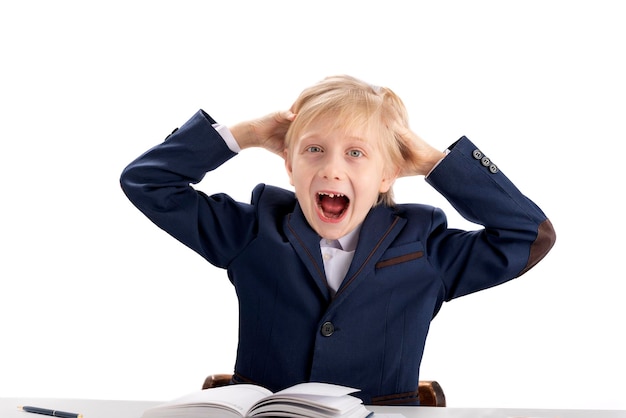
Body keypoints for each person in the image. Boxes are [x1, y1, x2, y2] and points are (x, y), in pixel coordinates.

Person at [120, 75, 556, 405]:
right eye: (314, 150)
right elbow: (146, 183)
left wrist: (436, 163)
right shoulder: (254, 230)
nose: (331, 169)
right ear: (288, 166)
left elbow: (529, 235)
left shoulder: (424, 247)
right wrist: (246, 134)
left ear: (387, 174)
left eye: (356, 153)